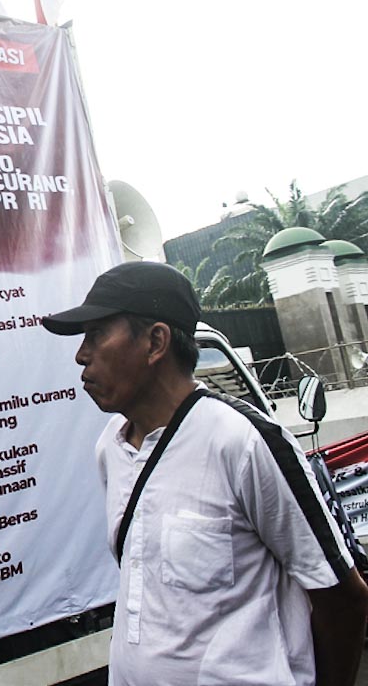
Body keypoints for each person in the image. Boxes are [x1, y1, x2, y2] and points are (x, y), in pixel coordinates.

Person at [41, 261, 368, 686]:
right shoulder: (112, 447)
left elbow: (342, 598)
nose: (81, 354)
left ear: (155, 342)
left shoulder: (243, 442)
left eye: (96, 334)